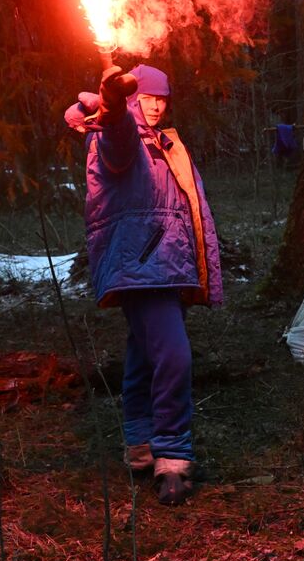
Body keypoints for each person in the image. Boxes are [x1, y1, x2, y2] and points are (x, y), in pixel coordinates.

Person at [65, 63, 222, 506]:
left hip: (167, 265)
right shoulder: (118, 134)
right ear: (131, 100)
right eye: (146, 97)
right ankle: (172, 454)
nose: (155, 105)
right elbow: (117, 145)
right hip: (141, 265)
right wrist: (113, 110)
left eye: (162, 98)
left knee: (142, 354)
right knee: (174, 354)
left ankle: (139, 443)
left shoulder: (166, 142)